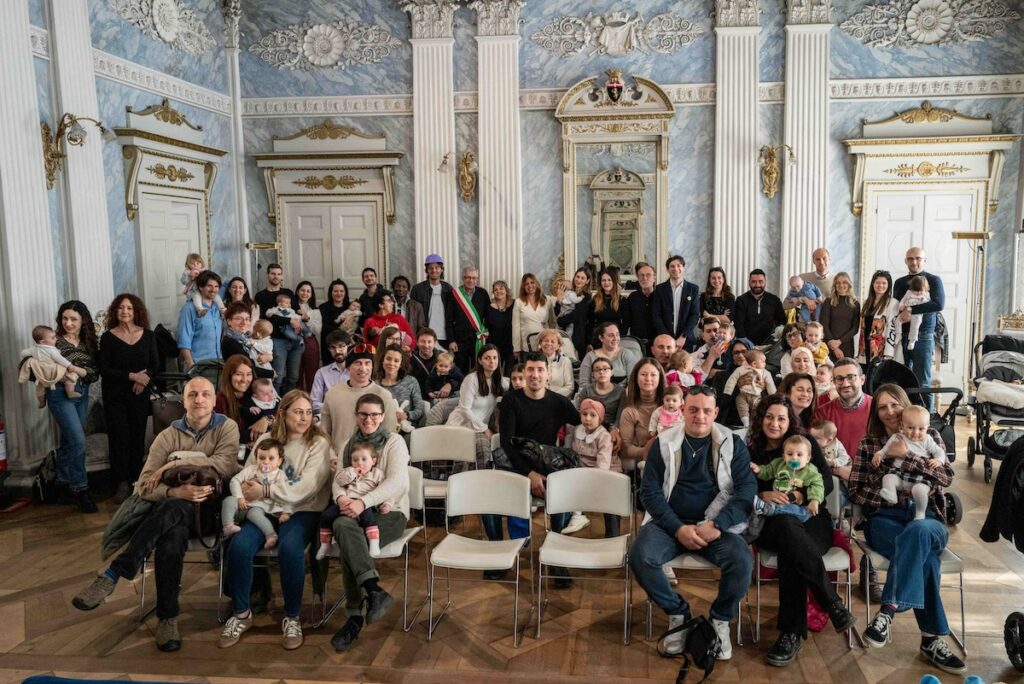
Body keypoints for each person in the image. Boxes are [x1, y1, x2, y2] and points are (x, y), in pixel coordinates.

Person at [71, 377, 240, 651]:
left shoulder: (226, 427)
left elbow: (224, 465)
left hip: (211, 514)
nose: (199, 400)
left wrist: (174, 462)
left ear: (213, 400)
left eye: (205, 394)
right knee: (170, 538)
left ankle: (115, 572)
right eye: (193, 395)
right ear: (183, 401)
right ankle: (167, 620)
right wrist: (175, 492)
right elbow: (143, 485)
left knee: (170, 514)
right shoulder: (167, 436)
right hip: (174, 515)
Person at [847, 384, 964, 675]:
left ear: (905, 405)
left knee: (919, 533)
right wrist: (891, 472)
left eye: (894, 405)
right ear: (876, 413)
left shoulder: (930, 434)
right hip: (884, 519)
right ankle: (931, 640)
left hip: (928, 518)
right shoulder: (870, 444)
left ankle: (887, 612)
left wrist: (909, 457)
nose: (890, 412)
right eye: (882, 407)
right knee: (925, 557)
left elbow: (946, 476)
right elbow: (856, 491)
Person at [631, 385, 755, 660]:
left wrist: (717, 525)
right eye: (693, 410)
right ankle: (679, 614)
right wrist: (677, 528)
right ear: (682, 410)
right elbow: (649, 492)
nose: (700, 416)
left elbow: (746, 491)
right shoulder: (663, 442)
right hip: (669, 524)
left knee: (742, 562)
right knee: (640, 556)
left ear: (716, 412)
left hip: (715, 526)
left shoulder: (732, 443)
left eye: (707, 411)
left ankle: (720, 620)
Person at [746, 395, 855, 667]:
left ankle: (791, 634)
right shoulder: (752, 452)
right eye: (769, 417)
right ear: (760, 419)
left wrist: (799, 495)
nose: (774, 423)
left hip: (812, 518)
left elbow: (825, 481)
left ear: (789, 421)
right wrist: (762, 493)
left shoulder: (803, 444)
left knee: (793, 550)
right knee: (788, 533)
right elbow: (742, 485)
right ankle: (831, 602)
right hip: (772, 523)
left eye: (781, 418)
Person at [220, 390, 330, 651]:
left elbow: (307, 488)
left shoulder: (319, 443)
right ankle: (241, 614)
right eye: (298, 412)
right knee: (239, 545)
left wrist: (267, 490)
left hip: (303, 509)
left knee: (290, 549)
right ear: (283, 413)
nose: (304, 418)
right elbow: (249, 478)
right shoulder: (266, 440)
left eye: (308, 412)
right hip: (265, 509)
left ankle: (292, 618)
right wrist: (253, 492)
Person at [486, 352, 579, 585]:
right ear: (524, 372)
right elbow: (507, 443)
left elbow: (585, 420)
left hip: (544, 465)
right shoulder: (511, 401)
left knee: (564, 494)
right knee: (487, 501)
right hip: (515, 466)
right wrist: (529, 475)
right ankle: (498, 555)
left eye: (540, 370)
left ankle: (556, 557)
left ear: (548, 374)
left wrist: (611, 429)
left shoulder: (559, 402)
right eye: (530, 369)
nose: (535, 375)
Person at [327, 394, 411, 651]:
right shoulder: (348, 444)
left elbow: (396, 482)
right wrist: (342, 498)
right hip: (352, 511)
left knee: (349, 539)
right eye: (363, 414)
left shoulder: (394, 442)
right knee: (342, 526)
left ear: (383, 416)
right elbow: (338, 480)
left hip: (390, 512)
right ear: (356, 415)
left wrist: (364, 502)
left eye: (374, 414)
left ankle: (354, 617)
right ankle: (373, 590)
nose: (368, 419)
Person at [99, 294, 160, 503]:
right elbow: (104, 369)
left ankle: (137, 479)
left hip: (139, 394)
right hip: (115, 395)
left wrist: (144, 379)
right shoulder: (108, 338)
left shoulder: (149, 335)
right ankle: (121, 482)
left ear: (136, 311)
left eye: (129, 308)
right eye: (121, 308)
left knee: (137, 436)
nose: (125, 311)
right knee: (119, 438)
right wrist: (133, 376)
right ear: (115, 311)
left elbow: (155, 365)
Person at [46, 301, 100, 513]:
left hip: (82, 393)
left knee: (69, 441)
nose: (68, 323)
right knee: (78, 441)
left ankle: (61, 483)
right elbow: (34, 366)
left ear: (83, 320)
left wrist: (79, 371)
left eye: (73, 319)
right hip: (60, 394)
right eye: (64, 318)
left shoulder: (89, 343)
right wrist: (59, 374)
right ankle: (81, 489)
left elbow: (94, 374)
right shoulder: (54, 342)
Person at [317, 439, 393, 558]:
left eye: (364, 459)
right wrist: (352, 472)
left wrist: (387, 504)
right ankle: (326, 544)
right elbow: (339, 481)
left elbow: (386, 491)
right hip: (347, 501)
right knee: (326, 516)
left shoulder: (377, 474)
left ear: (373, 461)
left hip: (366, 502)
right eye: (355, 460)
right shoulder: (349, 471)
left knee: (368, 518)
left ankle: (374, 542)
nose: (359, 463)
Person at [873, 404, 947, 519]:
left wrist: (939, 460)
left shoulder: (927, 439)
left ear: (927, 427)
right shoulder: (897, 437)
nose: (915, 432)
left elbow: (939, 451)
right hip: (900, 474)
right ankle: (891, 495)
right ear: (902, 424)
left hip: (920, 477)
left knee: (919, 491)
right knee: (888, 478)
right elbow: (885, 450)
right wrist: (879, 454)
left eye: (921, 429)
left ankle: (920, 512)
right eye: (910, 428)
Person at [893, 248, 945, 409]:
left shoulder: (934, 280)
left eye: (918, 258)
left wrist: (911, 310)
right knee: (902, 379)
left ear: (924, 260)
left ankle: (928, 418)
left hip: (923, 336)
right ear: (905, 261)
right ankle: (906, 415)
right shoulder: (899, 282)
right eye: (910, 259)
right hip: (902, 335)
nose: (914, 262)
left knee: (922, 381)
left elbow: (938, 304)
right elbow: (896, 305)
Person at [320, 344, 399, 449]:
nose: (363, 368)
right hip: (337, 456)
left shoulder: (384, 395)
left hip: (373, 456)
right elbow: (324, 433)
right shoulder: (333, 394)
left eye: (367, 363)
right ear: (348, 367)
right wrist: (330, 454)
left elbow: (390, 434)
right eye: (358, 363)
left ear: (372, 366)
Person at [565, 398, 620, 537]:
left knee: (609, 496)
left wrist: (592, 480)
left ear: (600, 419)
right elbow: (574, 454)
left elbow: (603, 463)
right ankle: (577, 515)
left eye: (593, 415)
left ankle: (612, 534)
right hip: (583, 470)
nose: (588, 418)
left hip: (605, 472)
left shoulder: (604, 436)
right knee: (569, 483)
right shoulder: (577, 431)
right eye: (584, 414)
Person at [222, 438, 291, 548]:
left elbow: (285, 494)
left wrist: (285, 512)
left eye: (271, 458)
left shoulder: (280, 476)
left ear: (279, 461)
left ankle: (271, 535)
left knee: (254, 514)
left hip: (260, 507)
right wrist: (239, 497)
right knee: (228, 500)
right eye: (262, 458)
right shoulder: (251, 470)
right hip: (242, 505)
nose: (266, 462)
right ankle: (228, 526)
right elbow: (235, 480)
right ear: (256, 459)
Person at [447, 344, 509, 466]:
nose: (492, 361)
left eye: (495, 358)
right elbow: (465, 409)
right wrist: (484, 428)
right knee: (463, 459)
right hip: (461, 425)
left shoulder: (499, 380)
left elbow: (516, 383)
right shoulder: (471, 379)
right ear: (480, 361)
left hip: (478, 429)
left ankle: (481, 478)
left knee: (484, 454)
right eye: (487, 358)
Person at [750, 434, 824, 522]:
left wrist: (814, 500)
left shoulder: (810, 472)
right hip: (778, 500)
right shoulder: (779, 464)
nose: (794, 457)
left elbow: (818, 485)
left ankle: (770, 509)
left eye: (799, 455)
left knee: (798, 510)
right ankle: (761, 515)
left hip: (799, 507)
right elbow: (768, 471)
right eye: (789, 454)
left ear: (808, 459)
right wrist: (759, 470)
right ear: (784, 457)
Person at [816, 358, 872, 470]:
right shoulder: (822, 412)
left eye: (851, 377)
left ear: (862, 379)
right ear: (833, 382)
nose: (845, 384)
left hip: (870, 474)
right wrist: (840, 471)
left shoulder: (877, 408)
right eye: (839, 379)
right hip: (833, 474)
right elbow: (815, 452)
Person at [20, 325, 86, 404]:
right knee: (70, 376)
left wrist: (33, 357)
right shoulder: (51, 350)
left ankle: (41, 402)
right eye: (53, 338)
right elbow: (60, 359)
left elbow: (23, 353)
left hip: (42, 373)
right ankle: (70, 393)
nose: (56, 339)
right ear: (43, 342)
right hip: (53, 373)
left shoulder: (33, 349)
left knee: (40, 386)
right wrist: (69, 365)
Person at [618, 358, 665, 467]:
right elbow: (625, 449)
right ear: (636, 378)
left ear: (660, 378)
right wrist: (647, 452)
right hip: (646, 463)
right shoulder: (629, 411)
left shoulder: (671, 405)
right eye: (643, 374)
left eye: (653, 375)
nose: (648, 378)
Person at [216, 354, 271, 445]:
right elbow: (225, 436)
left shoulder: (254, 393)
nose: (244, 380)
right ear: (229, 376)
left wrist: (266, 420)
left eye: (249, 374)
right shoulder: (219, 401)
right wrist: (255, 433)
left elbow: (277, 412)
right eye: (239, 374)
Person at [652, 255, 701, 352]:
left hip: (685, 340)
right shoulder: (660, 289)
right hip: (664, 341)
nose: (676, 269)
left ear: (683, 268)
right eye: (672, 266)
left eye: (679, 265)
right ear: (667, 269)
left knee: (684, 362)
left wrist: (683, 336)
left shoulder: (693, 289)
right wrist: (667, 337)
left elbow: (694, 315)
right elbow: (656, 315)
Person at [177, 270, 223, 368]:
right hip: (197, 365)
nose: (213, 290)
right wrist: (191, 364)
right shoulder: (189, 308)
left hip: (218, 363)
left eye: (216, 286)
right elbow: (184, 339)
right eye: (209, 286)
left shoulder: (218, 308)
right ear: (201, 287)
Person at [449, 266, 491, 372]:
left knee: (478, 369)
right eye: (468, 277)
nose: (471, 280)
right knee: (460, 370)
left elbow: (488, 316)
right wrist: (451, 340)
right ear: (462, 278)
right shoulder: (454, 294)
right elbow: (448, 319)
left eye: (474, 278)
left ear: (477, 279)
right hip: (459, 340)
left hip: (478, 339)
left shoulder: (483, 293)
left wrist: (486, 335)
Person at [264, 286, 305, 394]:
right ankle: (275, 399)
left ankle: (289, 399)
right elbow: (269, 316)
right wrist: (289, 320)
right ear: (280, 303)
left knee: (293, 376)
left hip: (294, 342)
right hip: (279, 341)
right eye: (287, 303)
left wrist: (299, 320)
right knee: (278, 375)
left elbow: (297, 316)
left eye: (289, 303)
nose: (289, 304)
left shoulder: (289, 294)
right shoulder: (274, 307)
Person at [375, 345, 424, 433]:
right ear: (382, 361)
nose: (391, 363)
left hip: (407, 430)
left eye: (396, 361)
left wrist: (407, 415)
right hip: (382, 430)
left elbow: (420, 410)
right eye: (388, 359)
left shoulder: (411, 381)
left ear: (401, 364)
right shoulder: (375, 385)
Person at [577, 322, 642, 388]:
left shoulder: (627, 354)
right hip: (594, 393)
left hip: (623, 393)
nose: (615, 338)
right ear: (601, 338)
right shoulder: (590, 357)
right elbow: (583, 385)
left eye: (617, 334)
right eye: (611, 335)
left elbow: (633, 383)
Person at [410, 253, 454, 349]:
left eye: (437, 267)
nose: (434, 270)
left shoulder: (449, 289)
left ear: (442, 269)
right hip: (424, 335)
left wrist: (452, 338)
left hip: (445, 336)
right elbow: (413, 316)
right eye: (430, 268)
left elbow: (453, 315)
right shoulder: (417, 289)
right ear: (427, 270)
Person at [860, 270, 902, 371]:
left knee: (878, 375)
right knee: (866, 374)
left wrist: (889, 353)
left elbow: (893, 329)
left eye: (884, 283)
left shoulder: (893, 303)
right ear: (873, 284)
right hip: (865, 346)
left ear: (888, 285)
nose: (880, 285)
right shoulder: (867, 302)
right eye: (877, 282)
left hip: (881, 349)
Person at [723, 348, 775, 426]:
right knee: (741, 404)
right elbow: (731, 380)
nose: (741, 355)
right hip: (742, 396)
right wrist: (730, 390)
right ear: (754, 363)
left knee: (758, 409)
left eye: (744, 352)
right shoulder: (740, 370)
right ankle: (746, 422)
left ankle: (755, 423)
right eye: (736, 352)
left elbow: (770, 384)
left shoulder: (765, 372)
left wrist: (770, 393)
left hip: (756, 396)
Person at [221, 302, 274, 379]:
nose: (244, 322)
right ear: (229, 321)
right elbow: (247, 368)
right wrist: (271, 373)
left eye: (247, 319)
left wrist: (269, 356)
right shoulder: (230, 341)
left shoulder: (247, 338)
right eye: (239, 318)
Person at [734, 269, 786, 346]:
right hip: (747, 344)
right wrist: (747, 344)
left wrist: (773, 340)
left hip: (770, 344)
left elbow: (782, 321)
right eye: (754, 282)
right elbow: (738, 325)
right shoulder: (741, 300)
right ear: (749, 282)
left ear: (765, 282)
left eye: (760, 281)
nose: (757, 285)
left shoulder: (774, 300)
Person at [573, 357, 626, 428]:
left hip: (610, 427)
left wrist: (614, 429)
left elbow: (620, 417)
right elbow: (579, 411)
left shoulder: (621, 391)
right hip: (588, 425)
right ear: (592, 374)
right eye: (597, 369)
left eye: (605, 369)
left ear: (612, 372)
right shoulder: (587, 389)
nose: (601, 372)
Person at [511, 272, 552, 362]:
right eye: (526, 284)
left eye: (532, 282)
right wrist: (516, 348)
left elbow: (553, 323)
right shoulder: (518, 302)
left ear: (536, 284)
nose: (530, 286)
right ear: (523, 287)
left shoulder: (547, 300)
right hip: (527, 345)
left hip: (545, 343)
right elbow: (515, 327)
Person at [820, 272, 861, 362]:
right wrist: (834, 347)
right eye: (838, 283)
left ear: (849, 284)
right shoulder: (828, 301)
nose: (841, 285)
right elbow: (824, 325)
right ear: (834, 285)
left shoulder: (855, 304)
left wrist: (839, 342)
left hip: (847, 345)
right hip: (829, 345)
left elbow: (855, 328)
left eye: (844, 282)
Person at [555, 267, 593, 360]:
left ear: (587, 281)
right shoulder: (568, 292)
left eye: (582, 278)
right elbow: (557, 312)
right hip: (562, 334)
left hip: (577, 337)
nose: (579, 280)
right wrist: (559, 299)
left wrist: (560, 320)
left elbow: (575, 316)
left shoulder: (586, 297)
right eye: (577, 276)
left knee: (575, 364)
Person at [311, 329, 352, 415]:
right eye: (333, 347)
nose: (337, 351)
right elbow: (314, 403)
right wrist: (336, 409)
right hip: (328, 416)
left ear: (349, 346)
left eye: (341, 346)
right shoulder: (322, 373)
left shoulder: (359, 371)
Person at [786, 247, 835, 317]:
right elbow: (785, 304)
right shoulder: (802, 279)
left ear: (829, 258)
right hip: (805, 322)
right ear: (813, 261)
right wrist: (802, 299)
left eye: (824, 258)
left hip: (827, 322)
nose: (821, 262)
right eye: (818, 259)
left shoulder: (838, 281)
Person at [294, 281, 322, 392]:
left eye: (308, 291)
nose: (305, 293)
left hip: (310, 342)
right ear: (297, 291)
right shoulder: (290, 307)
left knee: (312, 373)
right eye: (302, 290)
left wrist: (307, 319)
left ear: (311, 294)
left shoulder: (315, 311)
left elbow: (317, 330)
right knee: (296, 374)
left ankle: (312, 398)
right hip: (294, 341)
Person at [180, 253, 226, 317]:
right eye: (192, 263)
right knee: (196, 297)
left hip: (204, 290)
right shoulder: (187, 272)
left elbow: (210, 278)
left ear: (201, 264)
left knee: (216, 296)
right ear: (187, 264)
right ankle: (200, 309)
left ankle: (222, 309)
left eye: (198, 263)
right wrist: (190, 276)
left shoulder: (203, 271)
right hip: (194, 290)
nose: (195, 265)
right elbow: (183, 281)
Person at [319, 279, 352, 365]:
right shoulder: (323, 307)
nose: (339, 293)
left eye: (341, 291)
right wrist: (342, 330)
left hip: (347, 346)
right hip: (329, 347)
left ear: (345, 293)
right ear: (331, 292)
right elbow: (324, 327)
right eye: (336, 291)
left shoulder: (351, 307)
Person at [622, 262, 657, 344]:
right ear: (638, 278)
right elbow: (626, 321)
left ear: (654, 278)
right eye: (641, 275)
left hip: (657, 342)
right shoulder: (632, 297)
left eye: (648, 275)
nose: (645, 278)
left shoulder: (661, 297)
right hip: (636, 342)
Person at [587, 269, 625, 343]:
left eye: (609, 280)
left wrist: (618, 338)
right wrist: (589, 342)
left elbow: (626, 324)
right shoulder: (595, 300)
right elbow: (590, 323)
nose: (606, 283)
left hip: (616, 339)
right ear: (600, 283)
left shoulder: (622, 300)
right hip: (599, 339)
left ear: (614, 282)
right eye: (603, 280)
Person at [485, 280, 515, 371]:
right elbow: (486, 327)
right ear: (493, 292)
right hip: (495, 345)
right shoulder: (489, 307)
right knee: (495, 372)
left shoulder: (515, 304)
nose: (498, 291)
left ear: (506, 290)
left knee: (510, 372)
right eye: (496, 290)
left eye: (501, 288)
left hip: (511, 345)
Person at [538, 328, 573, 397]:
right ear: (540, 343)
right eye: (546, 341)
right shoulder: (535, 362)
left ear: (558, 346)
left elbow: (569, 387)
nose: (549, 344)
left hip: (559, 398)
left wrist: (552, 397)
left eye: (552, 342)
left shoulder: (565, 361)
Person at [409, 327, 441, 396]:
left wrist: (450, 385)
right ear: (417, 343)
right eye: (423, 341)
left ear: (434, 343)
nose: (426, 345)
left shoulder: (443, 358)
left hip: (440, 397)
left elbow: (457, 378)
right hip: (418, 397)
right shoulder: (411, 360)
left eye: (429, 342)